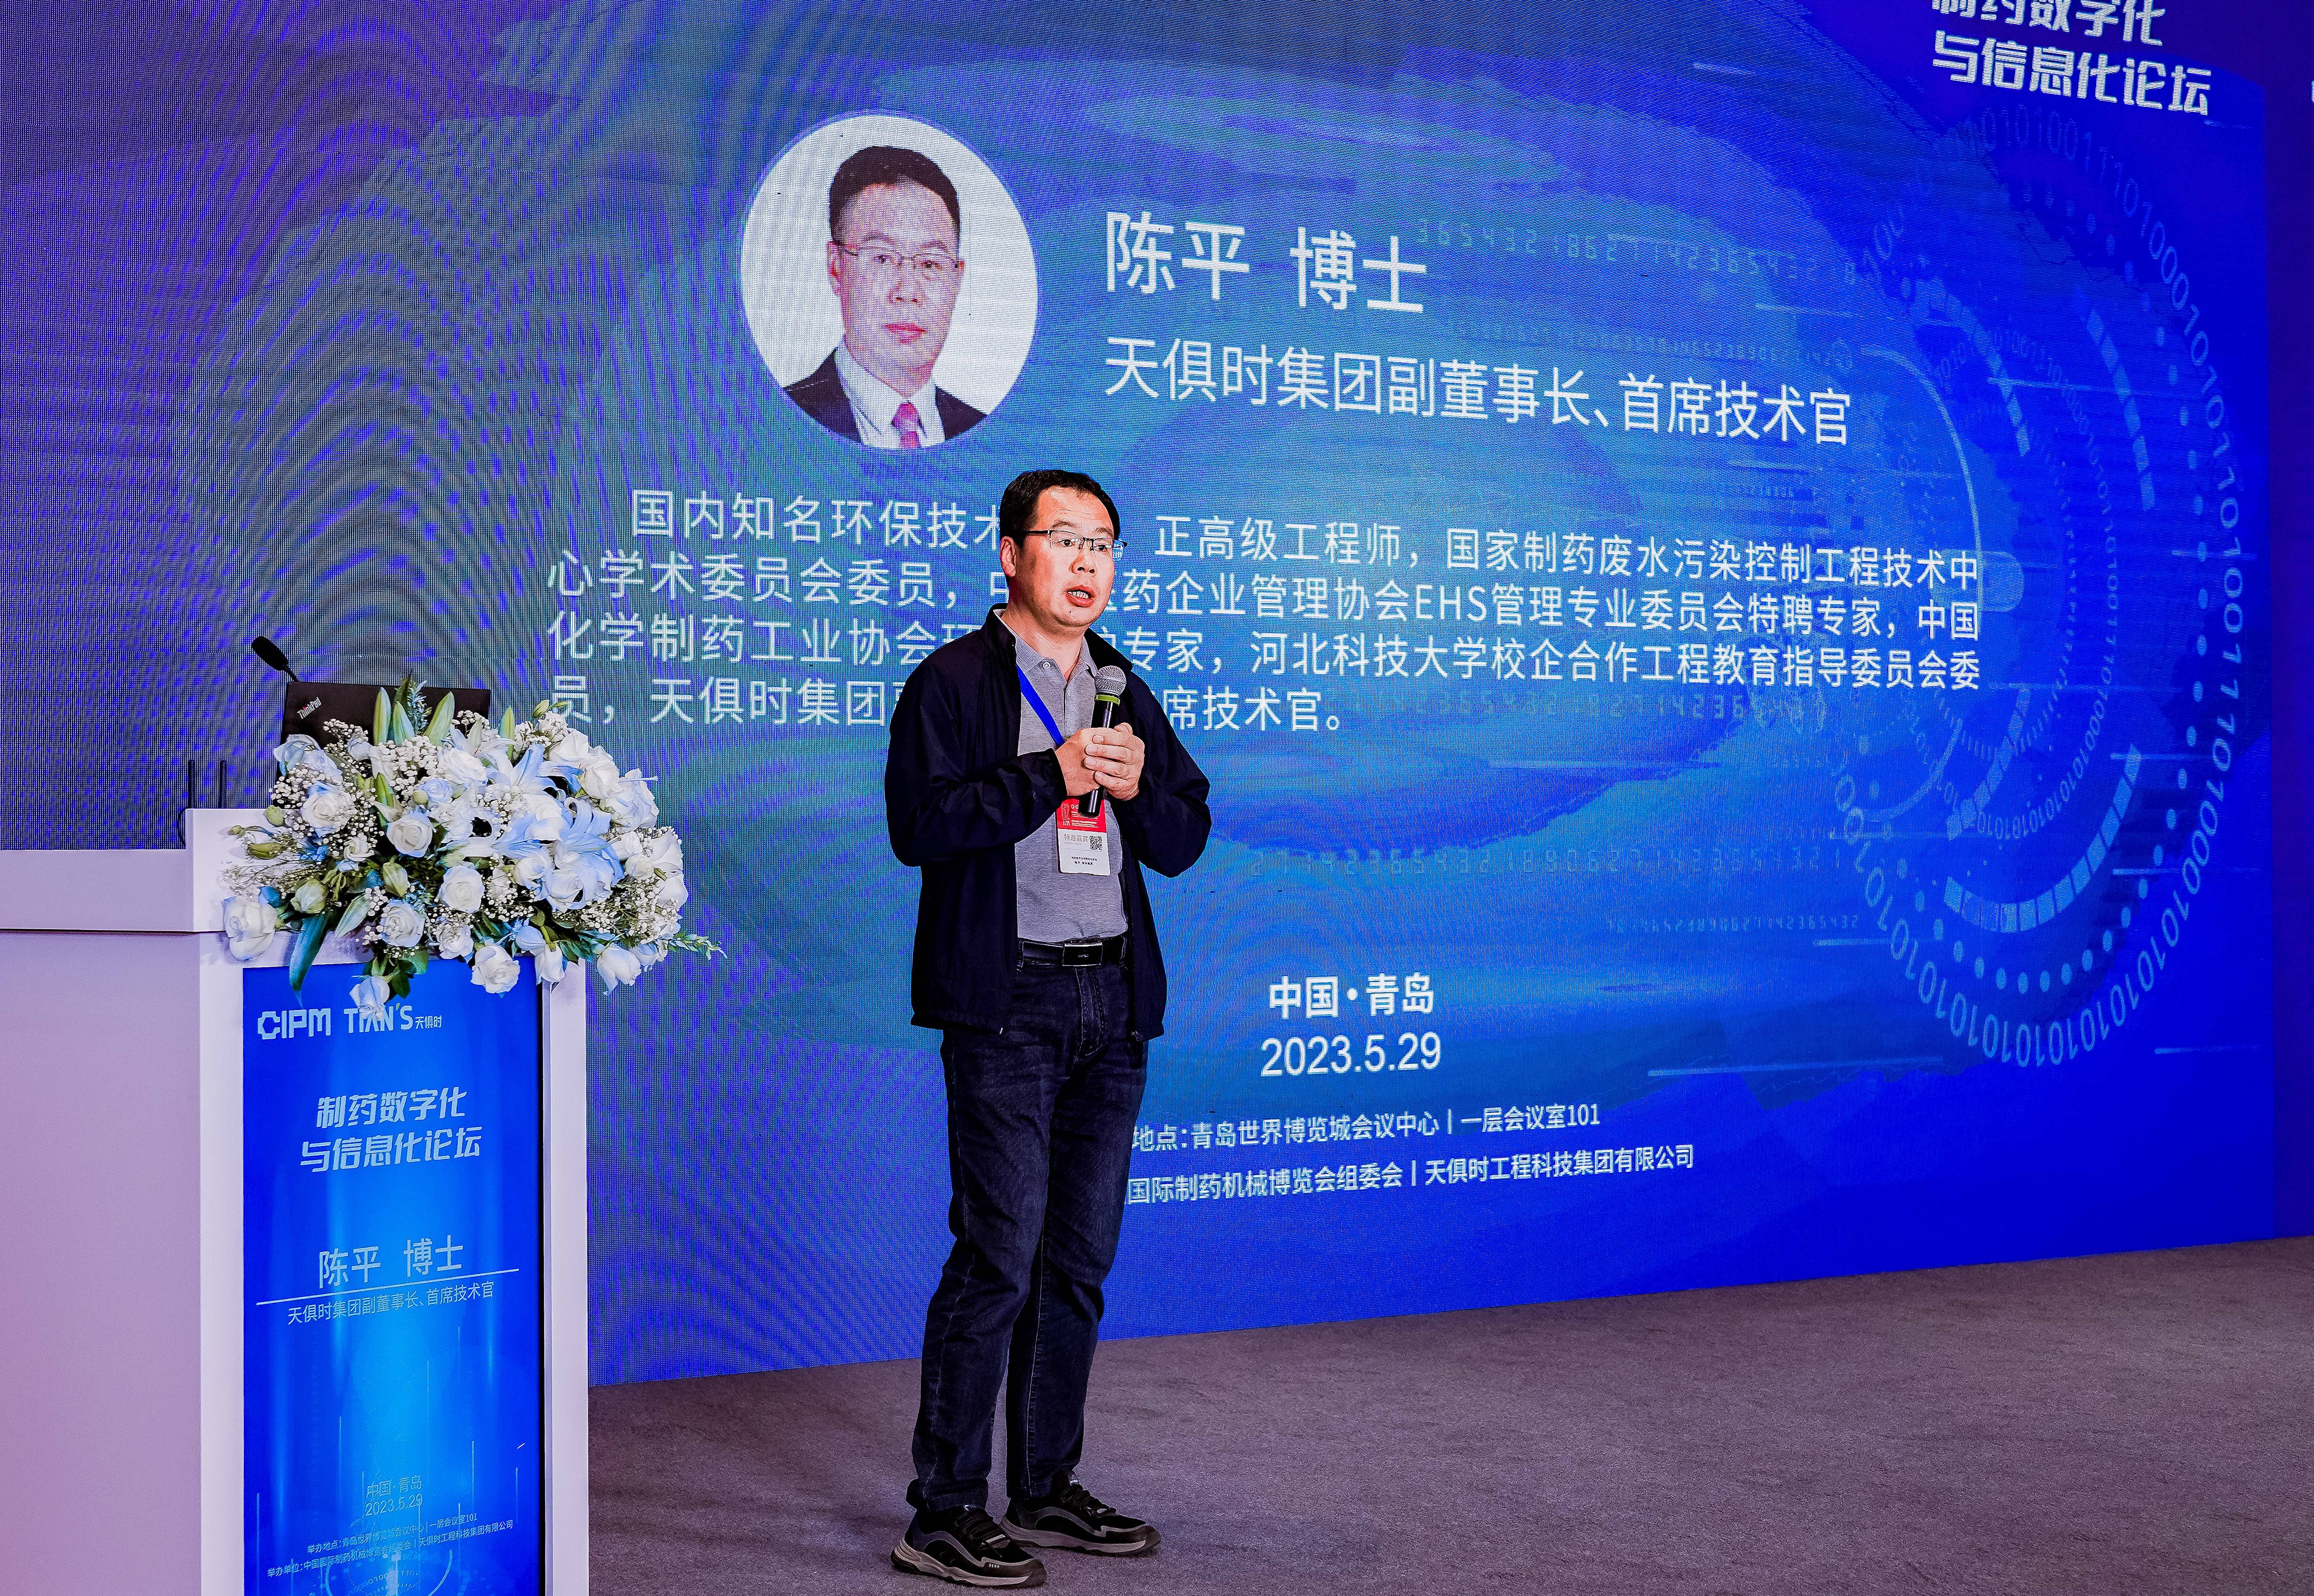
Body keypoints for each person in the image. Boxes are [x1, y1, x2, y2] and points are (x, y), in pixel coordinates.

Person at [882, 468, 1211, 1585]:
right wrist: (1049, 772)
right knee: (999, 1253)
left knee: (1077, 1260)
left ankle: (1045, 1484)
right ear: (1011, 554)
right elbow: (921, 825)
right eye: (1064, 539)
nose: (1086, 562)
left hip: (1110, 1002)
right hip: (1006, 1003)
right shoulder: (954, 680)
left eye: (1103, 543)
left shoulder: (1121, 686)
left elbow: (1184, 835)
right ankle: (943, 1508)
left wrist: (1137, 788)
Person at [785, 145, 986, 449]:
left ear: (957, 279)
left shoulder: (989, 433)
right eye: (881, 259)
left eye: (931, 264)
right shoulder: (773, 418)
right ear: (837, 266)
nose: (907, 292)